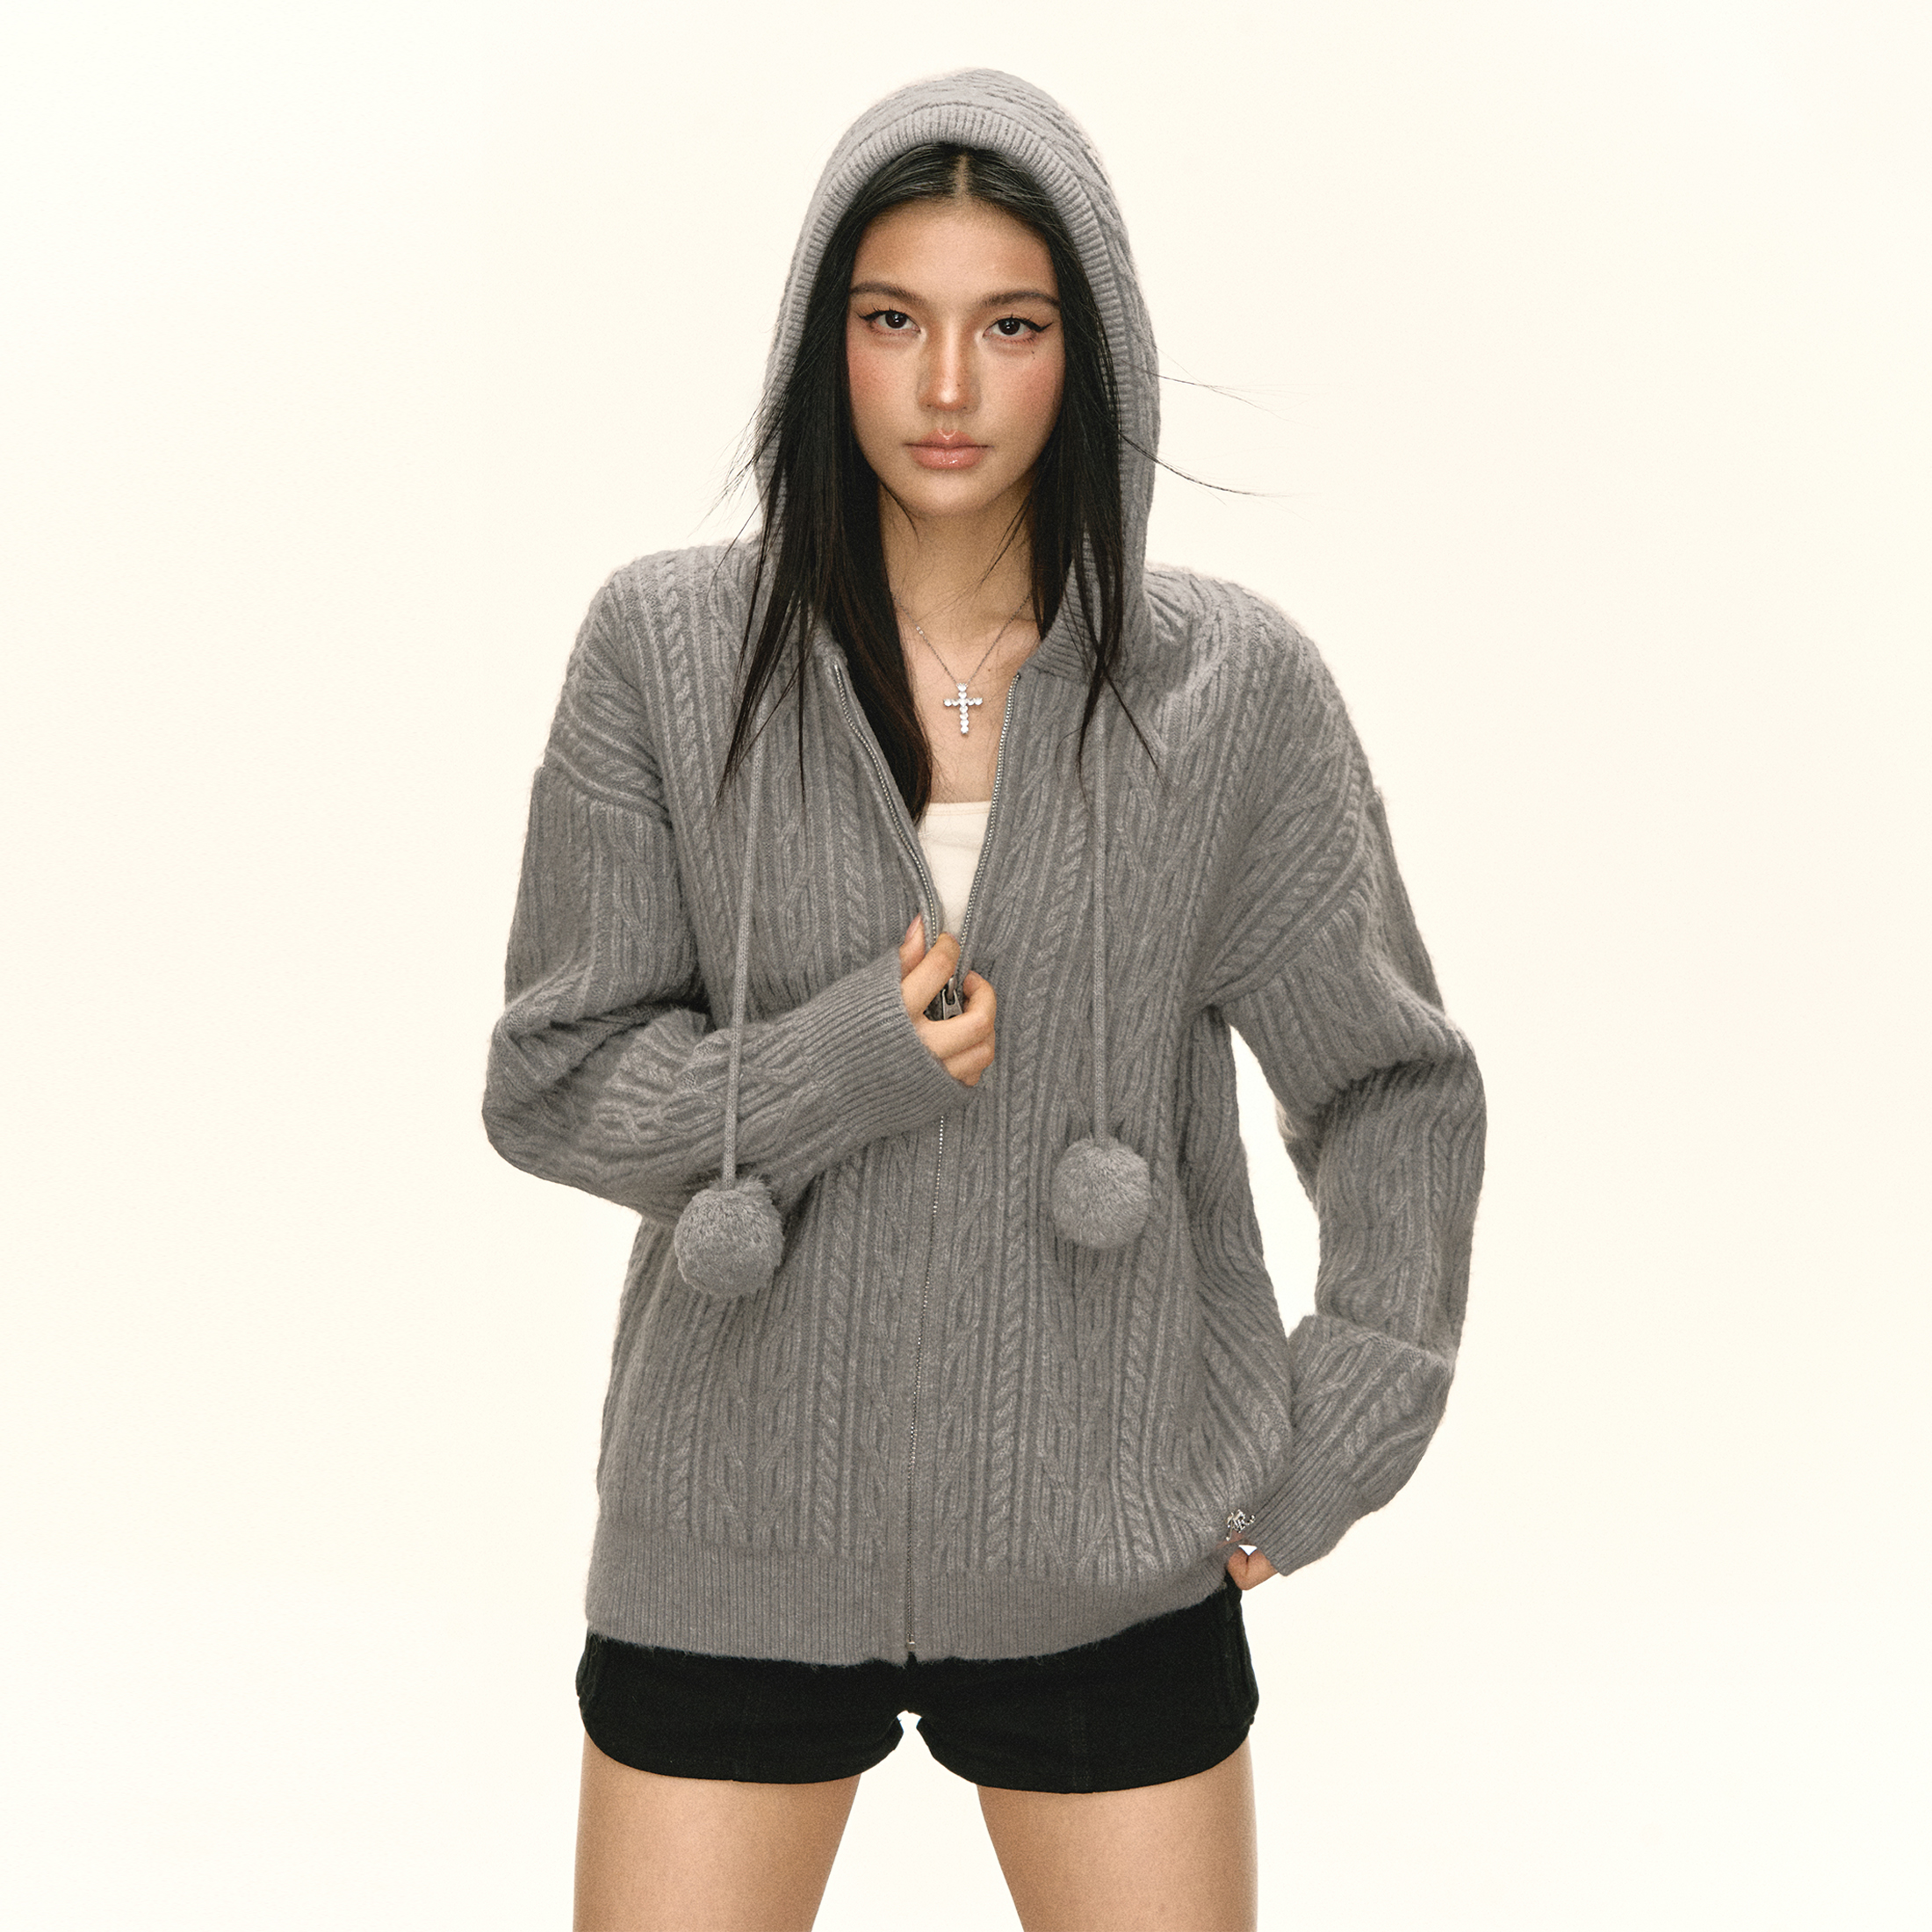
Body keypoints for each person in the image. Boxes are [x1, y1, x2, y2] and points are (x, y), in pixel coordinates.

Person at [483, 68, 1484, 1932]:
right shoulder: (665, 648)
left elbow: (1389, 1084)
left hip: (1111, 1539)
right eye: (893, 320)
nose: (946, 384)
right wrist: (832, 1065)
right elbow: (552, 1075)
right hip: (733, 1529)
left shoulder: (1235, 691)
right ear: (824, 343)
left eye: (1008, 325)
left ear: (1087, 353)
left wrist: (1341, 1423)